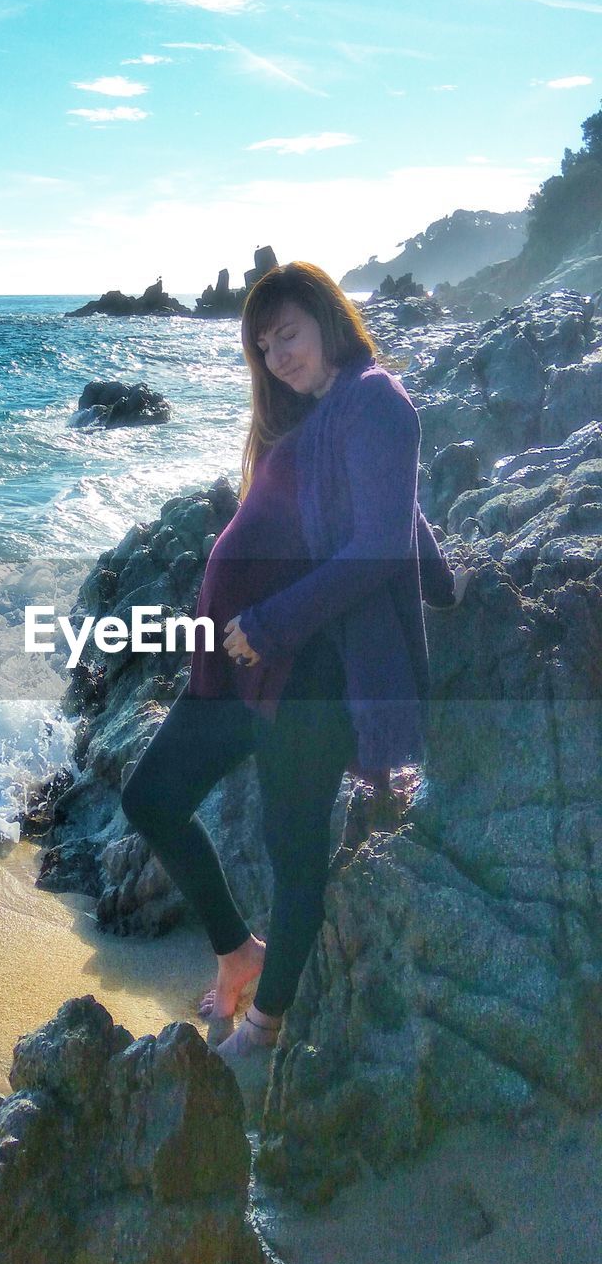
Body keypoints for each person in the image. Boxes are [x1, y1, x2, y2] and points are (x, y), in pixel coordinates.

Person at [119, 260, 471, 1065]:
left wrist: (271, 625)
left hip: (303, 664)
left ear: (328, 319)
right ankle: (239, 951)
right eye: (263, 343)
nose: (278, 354)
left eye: (290, 333)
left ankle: (266, 1024)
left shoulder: (375, 398)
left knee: (292, 846)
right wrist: (448, 581)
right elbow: (403, 512)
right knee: (153, 798)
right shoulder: (322, 409)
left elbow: (379, 543)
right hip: (241, 662)